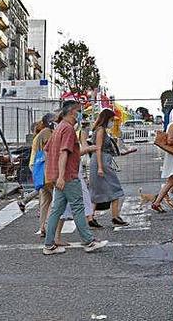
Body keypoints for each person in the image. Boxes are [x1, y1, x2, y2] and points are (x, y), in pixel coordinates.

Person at [42, 100, 108, 255]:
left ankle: (49, 244)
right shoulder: (68, 129)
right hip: (68, 176)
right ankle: (89, 241)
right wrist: (62, 175)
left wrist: (55, 172)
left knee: (56, 210)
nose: (80, 114)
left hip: (59, 176)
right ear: (72, 112)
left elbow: (48, 149)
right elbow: (64, 152)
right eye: (78, 111)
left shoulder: (58, 128)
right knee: (78, 207)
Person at [91, 108, 137, 226]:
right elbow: (99, 149)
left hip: (100, 161)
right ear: (106, 119)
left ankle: (91, 218)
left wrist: (128, 152)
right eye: (111, 120)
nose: (112, 123)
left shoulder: (99, 130)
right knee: (115, 188)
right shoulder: (101, 130)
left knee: (97, 190)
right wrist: (100, 167)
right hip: (102, 162)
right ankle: (115, 216)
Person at [19, 113, 55, 238]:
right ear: (50, 121)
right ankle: (48, 226)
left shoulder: (41, 133)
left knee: (45, 199)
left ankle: (43, 227)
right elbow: (48, 150)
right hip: (44, 167)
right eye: (54, 120)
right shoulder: (46, 132)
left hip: (38, 166)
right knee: (52, 199)